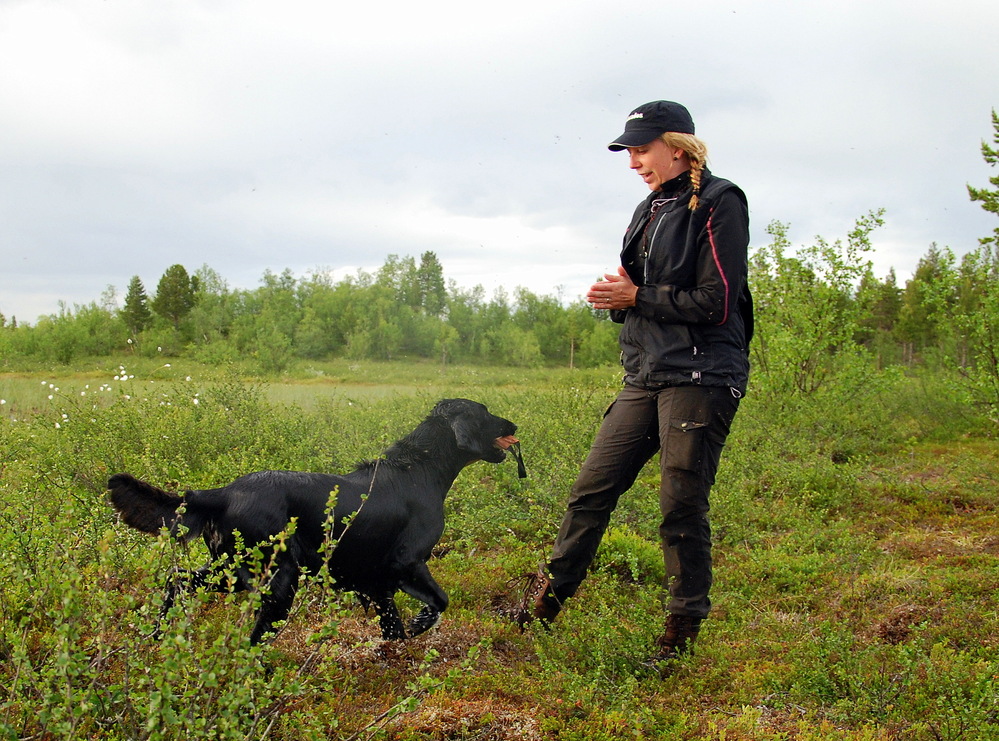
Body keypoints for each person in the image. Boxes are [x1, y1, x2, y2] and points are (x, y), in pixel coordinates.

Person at [515, 100, 753, 670]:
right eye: (629, 152)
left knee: (680, 503)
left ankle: (682, 631)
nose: (633, 162)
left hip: (701, 375)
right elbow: (647, 294)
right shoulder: (649, 208)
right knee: (590, 491)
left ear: (678, 147)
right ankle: (548, 603)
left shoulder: (721, 202)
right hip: (646, 374)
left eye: (641, 150)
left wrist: (637, 296)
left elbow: (718, 301)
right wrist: (619, 295)